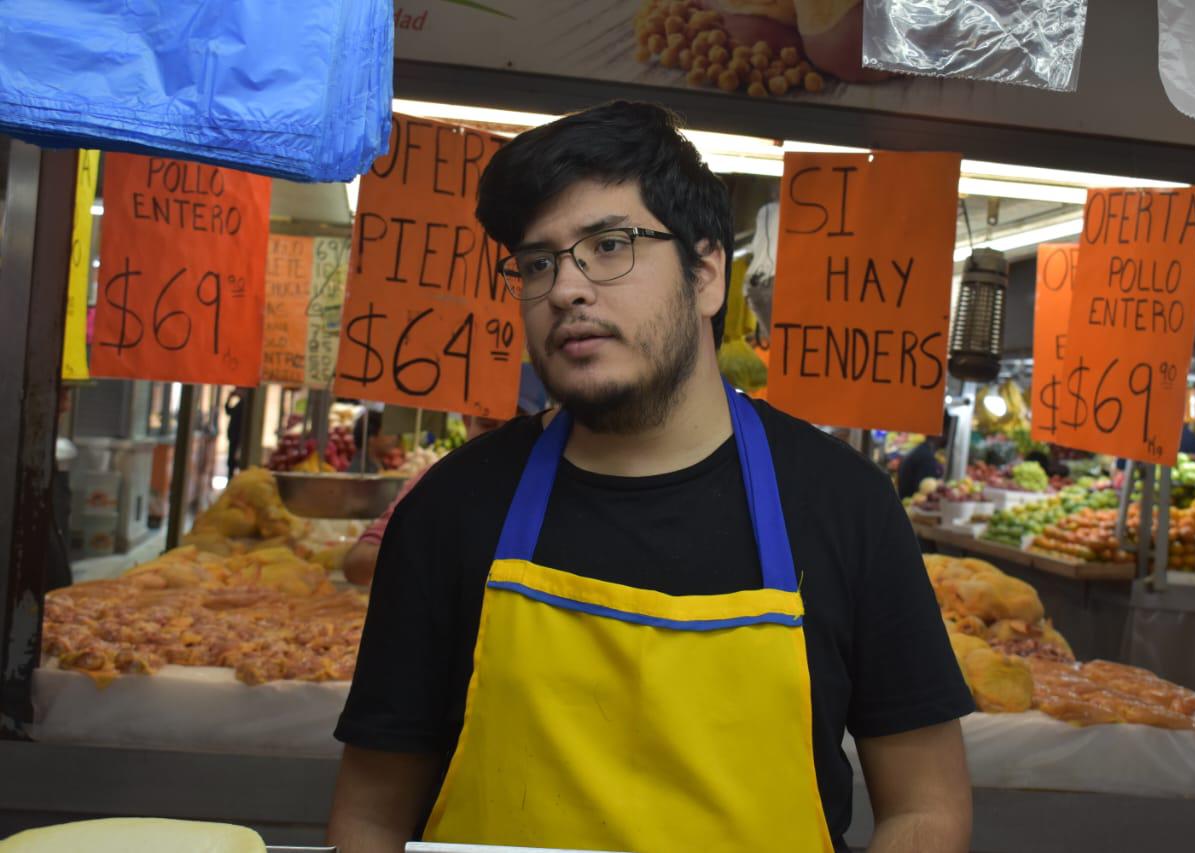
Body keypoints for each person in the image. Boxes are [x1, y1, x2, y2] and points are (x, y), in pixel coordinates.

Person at [328, 102, 973, 853]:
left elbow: (925, 808)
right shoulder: (450, 509)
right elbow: (371, 816)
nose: (565, 289)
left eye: (609, 246)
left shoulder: (846, 505)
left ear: (706, 274)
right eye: (537, 263)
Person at [341, 367, 549, 586]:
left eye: (517, 425)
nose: (500, 437)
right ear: (467, 422)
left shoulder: (553, 493)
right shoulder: (435, 481)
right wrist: (427, 544)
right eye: (486, 425)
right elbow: (356, 565)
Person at [897, 415, 953, 500]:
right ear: (941, 432)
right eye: (947, 432)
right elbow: (927, 494)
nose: (948, 437)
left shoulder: (921, 451)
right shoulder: (926, 458)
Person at [346, 407, 400, 474]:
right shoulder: (360, 471)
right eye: (388, 433)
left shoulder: (379, 464)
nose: (394, 438)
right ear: (371, 437)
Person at [224, 388, 246, 479]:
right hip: (234, 436)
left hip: (238, 437)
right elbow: (228, 411)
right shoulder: (240, 403)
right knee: (232, 460)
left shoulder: (245, 404)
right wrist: (229, 398)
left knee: (234, 460)